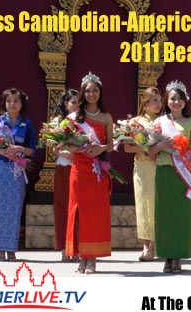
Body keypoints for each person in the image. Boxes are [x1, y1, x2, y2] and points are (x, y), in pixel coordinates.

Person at [65, 72, 114, 274]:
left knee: (95, 214)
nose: (91, 94)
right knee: (78, 213)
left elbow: (111, 145)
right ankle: (80, 256)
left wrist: (100, 149)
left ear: (100, 93)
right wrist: (79, 149)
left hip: (97, 172)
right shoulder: (74, 117)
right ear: (83, 93)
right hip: (79, 170)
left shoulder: (106, 117)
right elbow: (66, 143)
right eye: (88, 90)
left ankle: (92, 258)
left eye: (95, 90)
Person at [149, 80, 191, 273]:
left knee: (181, 215)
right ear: (166, 101)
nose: (176, 102)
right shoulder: (159, 122)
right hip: (164, 171)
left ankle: (178, 257)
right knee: (164, 214)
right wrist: (163, 145)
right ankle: (166, 256)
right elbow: (151, 150)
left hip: (184, 175)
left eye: (180, 99)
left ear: (185, 102)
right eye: (172, 99)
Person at [0, 88, 37, 261]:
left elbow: (33, 150)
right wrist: (3, 152)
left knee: (14, 208)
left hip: (16, 171)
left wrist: (20, 149)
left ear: (22, 104)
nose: (12, 104)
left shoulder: (27, 125)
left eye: (16, 101)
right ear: (4, 103)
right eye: (9, 101)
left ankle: (11, 248)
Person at [124, 87, 163, 262]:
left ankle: (158, 244)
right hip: (142, 166)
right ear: (145, 103)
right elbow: (127, 147)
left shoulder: (165, 122)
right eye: (154, 100)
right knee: (143, 204)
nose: (158, 104)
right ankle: (146, 245)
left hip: (161, 167)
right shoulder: (135, 122)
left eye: (159, 100)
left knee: (158, 204)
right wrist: (147, 147)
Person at [52, 89, 79, 262]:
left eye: (79, 102)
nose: (77, 106)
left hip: (79, 168)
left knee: (77, 209)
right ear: (66, 104)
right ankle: (63, 247)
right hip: (63, 167)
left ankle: (76, 248)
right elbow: (51, 144)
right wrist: (60, 150)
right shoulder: (58, 122)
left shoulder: (84, 121)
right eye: (74, 102)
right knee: (62, 208)